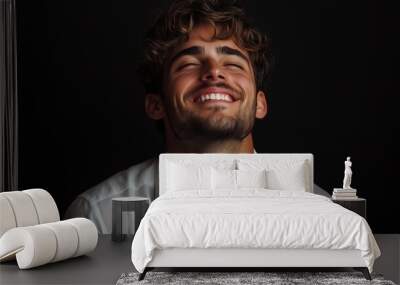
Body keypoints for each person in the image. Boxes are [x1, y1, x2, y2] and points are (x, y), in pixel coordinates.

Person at [65, 0, 329, 233]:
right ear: (156, 104)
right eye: (189, 64)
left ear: (260, 104)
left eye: (233, 64)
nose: (214, 72)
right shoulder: (97, 217)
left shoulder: (323, 213)